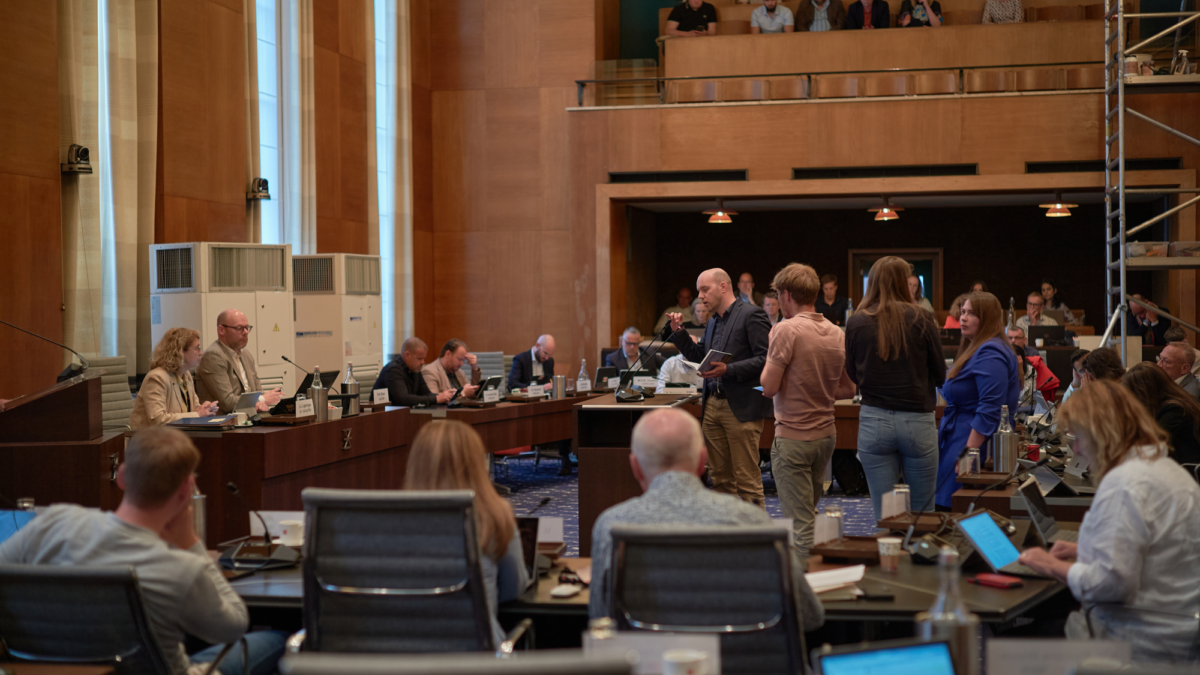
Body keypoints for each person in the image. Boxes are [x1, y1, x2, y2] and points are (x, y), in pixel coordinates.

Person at [0, 427, 286, 675]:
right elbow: (234, 627)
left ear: (122, 477)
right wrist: (190, 541)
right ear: (186, 489)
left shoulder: (53, 522)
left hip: (51, 668)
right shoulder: (181, 568)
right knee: (277, 638)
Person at [588, 408, 825, 634]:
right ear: (703, 461)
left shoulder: (612, 526)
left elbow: (601, 621)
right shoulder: (752, 520)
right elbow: (808, 615)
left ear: (635, 467)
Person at [1017, 381, 1200, 664]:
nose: (1076, 448)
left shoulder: (1125, 483)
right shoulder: (1165, 470)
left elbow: (1111, 583)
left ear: (1101, 434)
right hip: (1177, 631)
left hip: (1138, 641)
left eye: (1078, 437)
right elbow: (1156, 551)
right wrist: (1086, 551)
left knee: (1003, 645)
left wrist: (1050, 564)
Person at [760, 263, 857, 560]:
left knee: (799, 526)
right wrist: (813, 386)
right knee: (808, 515)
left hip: (794, 438)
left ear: (787, 294)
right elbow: (847, 390)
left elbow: (768, 386)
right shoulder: (835, 332)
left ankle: (804, 598)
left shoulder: (784, 330)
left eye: (778, 295)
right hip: (826, 436)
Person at [403, 420, 528, 647]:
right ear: (475, 464)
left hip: (401, 659)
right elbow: (513, 589)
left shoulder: (389, 524)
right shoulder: (494, 517)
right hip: (477, 658)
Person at [844, 256, 945, 521]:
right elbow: (940, 374)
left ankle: (890, 560)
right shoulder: (923, 318)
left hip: (874, 419)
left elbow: (853, 373)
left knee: (886, 517)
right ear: (904, 282)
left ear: (872, 283)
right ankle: (922, 559)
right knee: (924, 514)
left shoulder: (856, 322)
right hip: (917, 420)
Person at [667, 268, 773, 507]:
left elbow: (767, 358)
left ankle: (756, 538)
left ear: (723, 287)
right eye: (698, 291)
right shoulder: (714, 320)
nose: (701, 296)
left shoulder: (751, 314)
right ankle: (729, 538)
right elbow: (699, 355)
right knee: (720, 480)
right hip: (712, 404)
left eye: (705, 289)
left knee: (746, 480)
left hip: (741, 407)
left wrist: (730, 369)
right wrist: (678, 332)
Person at [936, 293, 1021, 508]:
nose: (963, 318)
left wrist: (969, 453)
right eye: (963, 312)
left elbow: (989, 409)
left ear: (988, 319)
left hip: (972, 441)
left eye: (972, 313)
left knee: (955, 511)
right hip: (960, 436)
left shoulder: (990, 351)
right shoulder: (976, 349)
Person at [195, 309, 282, 414]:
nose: (245, 332)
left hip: (249, 418)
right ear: (221, 330)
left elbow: (257, 392)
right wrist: (261, 400)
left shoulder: (246, 354)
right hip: (224, 423)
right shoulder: (213, 356)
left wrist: (260, 402)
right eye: (239, 328)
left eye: (247, 328)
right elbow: (227, 403)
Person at [130, 328, 220, 429]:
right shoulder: (157, 378)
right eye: (197, 348)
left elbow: (194, 410)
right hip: (150, 441)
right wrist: (198, 414)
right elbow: (158, 420)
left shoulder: (186, 375)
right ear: (180, 351)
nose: (201, 352)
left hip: (177, 437)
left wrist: (205, 409)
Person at [1122, 363, 1200, 466]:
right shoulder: (1178, 402)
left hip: (1184, 474)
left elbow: (1151, 446)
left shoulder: (1174, 411)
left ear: (1142, 393)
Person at [373, 337, 455, 406]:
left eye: (423, 358)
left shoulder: (415, 369)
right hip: (384, 418)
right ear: (407, 355)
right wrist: (437, 398)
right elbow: (403, 399)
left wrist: (444, 396)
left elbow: (426, 394)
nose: (423, 362)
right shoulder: (393, 370)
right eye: (419, 358)